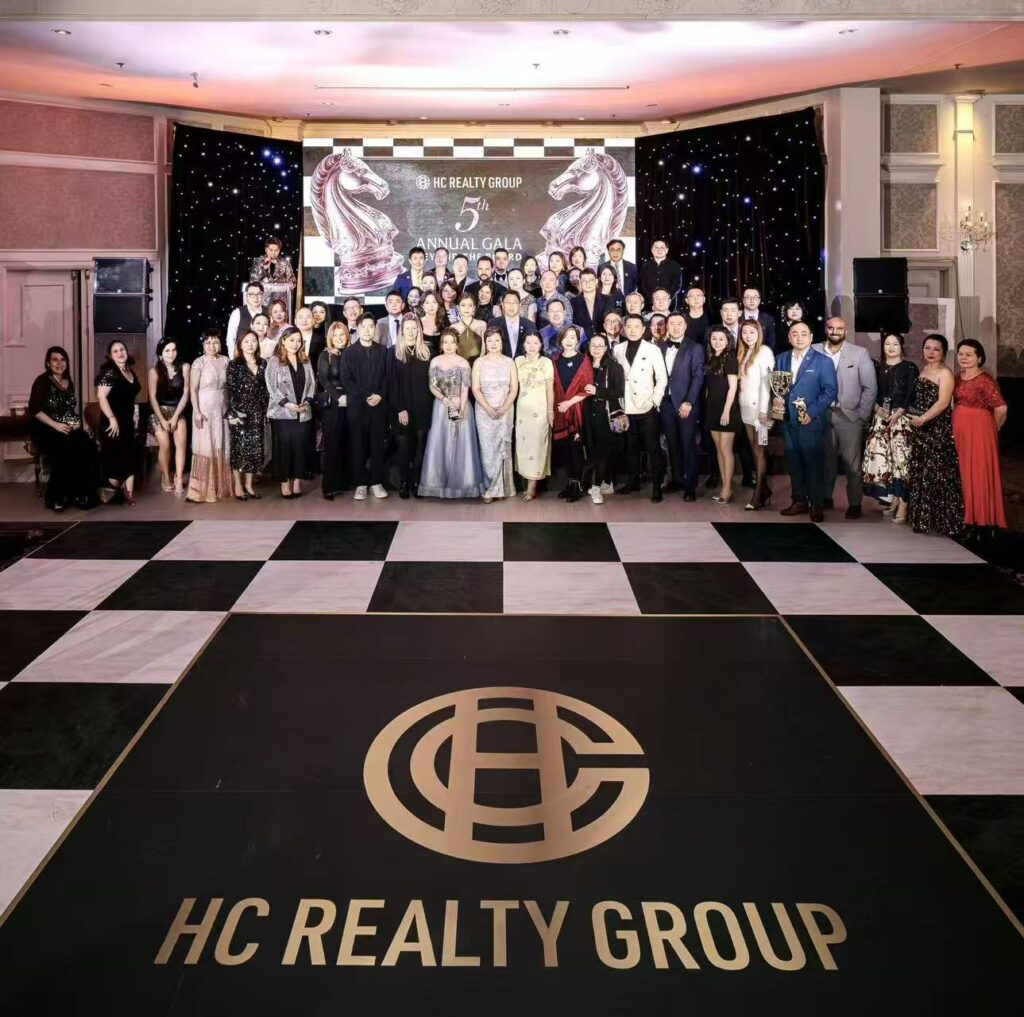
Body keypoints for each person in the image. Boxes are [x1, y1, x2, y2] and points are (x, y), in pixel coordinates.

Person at [773, 321, 838, 522]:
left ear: (811, 337)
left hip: (810, 420)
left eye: (803, 333)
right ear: (789, 337)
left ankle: (816, 504)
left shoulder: (823, 361)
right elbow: (777, 387)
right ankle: (799, 500)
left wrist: (813, 411)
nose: (799, 337)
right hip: (787, 420)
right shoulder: (781, 358)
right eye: (794, 333)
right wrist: (776, 400)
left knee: (813, 463)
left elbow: (830, 391)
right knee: (794, 463)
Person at [814, 316, 876, 519]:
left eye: (839, 328)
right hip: (821, 414)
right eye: (831, 328)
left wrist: (862, 416)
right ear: (826, 330)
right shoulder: (814, 350)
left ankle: (855, 503)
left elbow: (870, 387)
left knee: (852, 463)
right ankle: (825, 497)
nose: (835, 332)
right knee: (825, 460)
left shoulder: (859, 353)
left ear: (846, 331)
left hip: (850, 416)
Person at [909, 333, 968, 534]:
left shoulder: (946, 373)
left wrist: (923, 418)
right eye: (927, 348)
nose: (931, 352)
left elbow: (943, 403)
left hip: (937, 429)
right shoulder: (924, 369)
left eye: (936, 349)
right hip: (920, 428)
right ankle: (923, 519)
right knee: (923, 472)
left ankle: (944, 521)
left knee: (938, 474)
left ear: (943, 352)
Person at [29, 345, 99, 511]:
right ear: (48, 363)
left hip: (66, 427)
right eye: (55, 360)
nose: (59, 363)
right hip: (45, 428)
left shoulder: (69, 382)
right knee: (65, 447)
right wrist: (56, 425)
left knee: (88, 444)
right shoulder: (42, 381)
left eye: (63, 360)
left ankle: (81, 493)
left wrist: (80, 426)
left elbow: (69, 410)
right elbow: (35, 410)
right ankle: (56, 496)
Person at [419, 328, 484, 499]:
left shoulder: (463, 363)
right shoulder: (435, 361)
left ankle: (463, 485)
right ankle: (438, 484)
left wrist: (460, 409)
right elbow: (432, 386)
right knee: (440, 442)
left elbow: (464, 389)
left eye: (452, 342)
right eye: (445, 342)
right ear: (441, 345)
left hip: (459, 404)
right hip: (441, 407)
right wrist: (444, 400)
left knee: (459, 443)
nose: (448, 345)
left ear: (457, 344)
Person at [953, 338, 1008, 535]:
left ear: (979, 358)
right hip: (960, 429)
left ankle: (983, 521)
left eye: (969, 355)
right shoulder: (957, 377)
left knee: (979, 474)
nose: (964, 358)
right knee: (963, 473)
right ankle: (968, 517)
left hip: (980, 431)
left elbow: (1001, 408)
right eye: (961, 354)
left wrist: (993, 428)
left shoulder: (985, 380)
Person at [863, 331, 918, 524]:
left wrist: (899, 413)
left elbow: (911, 393)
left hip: (901, 420)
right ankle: (894, 500)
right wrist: (876, 408)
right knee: (885, 462)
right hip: (881, 418)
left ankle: (904, 504)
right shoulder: (877, 367)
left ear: (902, 346)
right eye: (887, 344)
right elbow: (870, 391)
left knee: (902, 462)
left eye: (895, 344)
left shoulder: (909, 367)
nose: (891, 347)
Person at [614, 313, 668, 502]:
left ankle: (657, 486)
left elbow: (662, 378)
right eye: (628, 326)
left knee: (653, 447)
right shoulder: (618, 349)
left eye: (636, 326)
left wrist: (655, 401)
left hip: (647, 406)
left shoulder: (652, 349)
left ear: (643, 329)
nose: (632, 330)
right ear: (624, 329)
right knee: (631, 446)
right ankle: (633, 481)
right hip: (627, 405)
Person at [341, 314, 391, 500]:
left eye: (371, 326)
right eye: (364, 326)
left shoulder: (383, 351)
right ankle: (361, 484)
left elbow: (388, 377)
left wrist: (380, 395)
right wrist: (365, 397)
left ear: (375, 328)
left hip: (379, 405)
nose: (368, 330)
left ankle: (376, 482)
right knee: (358, 444)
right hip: (357, 406)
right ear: (358, 328)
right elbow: (346, 379)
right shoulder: (349, 352)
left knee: (377, 445)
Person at [265, 326, 314, 499]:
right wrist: (287, 404)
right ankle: (285, 482)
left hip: (303, 411)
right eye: (292, 340)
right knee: (284, 449)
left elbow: (312, 384)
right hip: (282, 413)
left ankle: (298, 481)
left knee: (301, 447)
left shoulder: (305, 360)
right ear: (283, 341)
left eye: (299, 341)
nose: (295, 344)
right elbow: (271, 386)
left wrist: (307, 401)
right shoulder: (274, 361)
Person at [660, 313, 704, 502]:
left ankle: (690, 486)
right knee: (671, 444)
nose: (676, 327)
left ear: (686, 326)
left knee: (688, 444)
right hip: (665, 402)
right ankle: (677, 479)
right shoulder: (660, 347)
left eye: (680, 323)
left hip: (686, 403)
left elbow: (698, 376)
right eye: (672, 323)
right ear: (667, 326)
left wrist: (689, 402)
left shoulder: (695, 347)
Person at [472, 325, 518, 502]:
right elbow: (476, 389)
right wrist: (489, 408)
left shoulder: (509, 362)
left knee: (502, 449)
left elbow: (514, 388)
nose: (493, 343)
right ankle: (489, 486)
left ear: (502, 342)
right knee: (487, 450)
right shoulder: (479, 362)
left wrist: (505, 407)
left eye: (497, 340)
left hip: (505, 410)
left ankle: (501, 488)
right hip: (484, 411)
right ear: (485, 342)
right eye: (489, 340)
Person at [389, 314, 433, 499]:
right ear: (402, 330)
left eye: (414, 328)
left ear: (419, 330)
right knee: (404, 446)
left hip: (423, 406)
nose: (411, 331)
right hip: (401, 407)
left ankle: (417, 483)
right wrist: (400, 408)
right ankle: (404, 483)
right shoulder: (393, 352)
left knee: (420, 446)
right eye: (407, 328)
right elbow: (391, 384)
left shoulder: (427, 352)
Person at [186, 329, 231, 504]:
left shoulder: (226, 360)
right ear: (203, 345)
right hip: (204, 409)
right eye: (208, 343)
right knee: (205, 446)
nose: (212, 346)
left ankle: (221, 487)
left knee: (220, 443)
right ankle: (201, 490)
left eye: (215, 342)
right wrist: (196, 411)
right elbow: (193, 390)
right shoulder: (199, 362)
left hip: (222, 408)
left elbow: (229, 387)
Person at [551, 326, 594, 503]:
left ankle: (578, 486)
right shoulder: (554, 360)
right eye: (566, 337)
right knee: (565, 450)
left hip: (577, 410)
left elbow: (588, 388)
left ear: (578, 340)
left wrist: (569, 402)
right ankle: (569, 484)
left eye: (573, 337)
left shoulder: (584, 360)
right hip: (559, 410)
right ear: (560, 340)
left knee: (576, 449)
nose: (569, 341)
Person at [96, 340, 140, 505]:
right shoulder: (110, 372)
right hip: (112, 423)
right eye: (115, 351)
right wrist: (112, 418)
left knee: (130, 456)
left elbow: (129, 397)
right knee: (115, 467)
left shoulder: (129, 370)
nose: (120, 353)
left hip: (127, 421)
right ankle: (107, 490)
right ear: (110, 356)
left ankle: (128, 493)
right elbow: (101, 397)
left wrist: (134, 415)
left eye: (122, 349)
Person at [736, 320, 775, 510]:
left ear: (759, 333)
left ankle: (758, 494)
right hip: (746, 409)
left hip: (760, 411)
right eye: (744, 332)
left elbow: (767, 384)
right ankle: (765, 489)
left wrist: (763, 411)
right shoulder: (744, 352)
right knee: (754, 450)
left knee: (760, 451)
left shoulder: (764, 351)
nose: (748, 336)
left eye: (752, 332)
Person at [583, 332, 625, 503]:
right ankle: (607, 483)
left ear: (606, 348)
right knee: (594, 450)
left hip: (606, 416)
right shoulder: (584, 365)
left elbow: (619, 392)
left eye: (600, 346)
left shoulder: (614, 367)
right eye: (593, 345)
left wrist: (597, 391)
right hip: (588, 415)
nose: (596, 349)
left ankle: (596, 487)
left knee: (603, 452)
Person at [226, 330, 268, 501]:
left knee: (255, 450)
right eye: (246, 342)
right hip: (240, 413)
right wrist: (231, 414)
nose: (250, 344)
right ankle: (238, 485)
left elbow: (266, 390)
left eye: (253, 341)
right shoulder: (234, 364)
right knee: (239, 450)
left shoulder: (263, 363)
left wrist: (266, 411)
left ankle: (249, 485)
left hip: (258, 412)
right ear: (240, 345)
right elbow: (230, 391)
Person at [703, 326, 742, 506]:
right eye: (714, 338)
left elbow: (733, 388)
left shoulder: (730, 359)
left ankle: (728, 489)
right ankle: (724, 486)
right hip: (712, 409)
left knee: (726, 450)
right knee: (719, 449)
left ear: (728, 342)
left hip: (727, 409)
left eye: (721, 339)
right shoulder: (711, 358)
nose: (717, 342)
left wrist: (726, 411)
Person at [147, 337, 190, 497]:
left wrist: (175, 417)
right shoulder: (153, 372)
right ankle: (165, 477)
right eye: (167, 351)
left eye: (173, 350)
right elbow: (152, 398)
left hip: (177, 410)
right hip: (158, 412)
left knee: (181, 444)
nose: (171, 354)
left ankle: (178, 478)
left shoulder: (185, 367)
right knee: (165, 445)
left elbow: (186, 393)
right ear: (160, 354)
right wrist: (163, 420)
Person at [515, 332, 554, 501]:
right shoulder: (518, 361)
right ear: (523, 345)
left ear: (541, 345)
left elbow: (550, 389)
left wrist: (550, 411)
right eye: (528, 343)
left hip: (540, 411)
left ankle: (532, 486)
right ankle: (524, 481)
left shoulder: (546, 362)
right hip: (522, 411)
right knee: (523, 445)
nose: (532, 346)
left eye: (535, 343)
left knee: (537, 445)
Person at [316, 322, 351, 500]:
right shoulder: (325, 354)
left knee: (345, 443)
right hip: (333, 403)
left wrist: (349, 397)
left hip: (351, 401)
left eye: (342, 335)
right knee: (332, 444)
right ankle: (328, 486)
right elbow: (324, 380)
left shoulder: (351, 354)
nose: (339, 338)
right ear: (330, 337)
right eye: (335, 335)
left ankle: (343, 482)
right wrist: (339, 397)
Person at [493, 289, 539, 359]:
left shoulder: (530, 325)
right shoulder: (494, 323)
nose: (511, 306)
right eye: (508, 302)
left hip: (524, 363)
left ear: (520, 305)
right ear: (502, 305)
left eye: (514, 302)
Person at [226, 281, 266, 357]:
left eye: (258, 294)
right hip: (241, 356)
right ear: (247, 295)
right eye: (251, 294)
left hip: (262, 356)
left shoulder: (268, 312)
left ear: (262, 295)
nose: (255, 297)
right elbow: (230, 339)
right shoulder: (237, 313)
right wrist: (233, 358)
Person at [571, 268, 614, 338]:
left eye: (591, 280)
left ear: (596, 281)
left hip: (603, 340)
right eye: (584, 281)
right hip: (582, 341)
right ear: (580, 283)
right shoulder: (573, 302)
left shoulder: (608, 300)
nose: (587, 283)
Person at [639, 238, 682, 306]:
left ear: (667, 250)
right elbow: (642, 286)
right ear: (652, 250)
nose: (659, 250)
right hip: (649, 305)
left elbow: (677, 286)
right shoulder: (645, 266)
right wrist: (652, 301)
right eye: (656, 247)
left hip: (669, 304)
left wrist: (667, 300)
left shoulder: (675, 266)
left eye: (662, 247)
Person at [452, 292, 486, 364]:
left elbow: (484, 349)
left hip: (479, 364)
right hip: (459, 365)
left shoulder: (482, 325)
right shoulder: (453, 327)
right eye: (463, 305)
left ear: (474, 308)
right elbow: (452, 351)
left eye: (470, 305)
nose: (466, 308)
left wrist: (478, 365)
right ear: (458, 307)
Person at [741, 286, 777, 352]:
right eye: (748, 297)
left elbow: (771, 344)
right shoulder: (736, 317)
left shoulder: (768, 319)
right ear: (743, 300)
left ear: (759, 300)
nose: (752, 300)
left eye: (755, 297)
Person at [418, 291, 447, 357]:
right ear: (422, 306)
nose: (431, 306)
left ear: (438, 304)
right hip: (421, 358)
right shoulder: (417, 323)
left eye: (434, 302)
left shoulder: (443, 324)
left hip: (440, 359)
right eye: (427, 303)